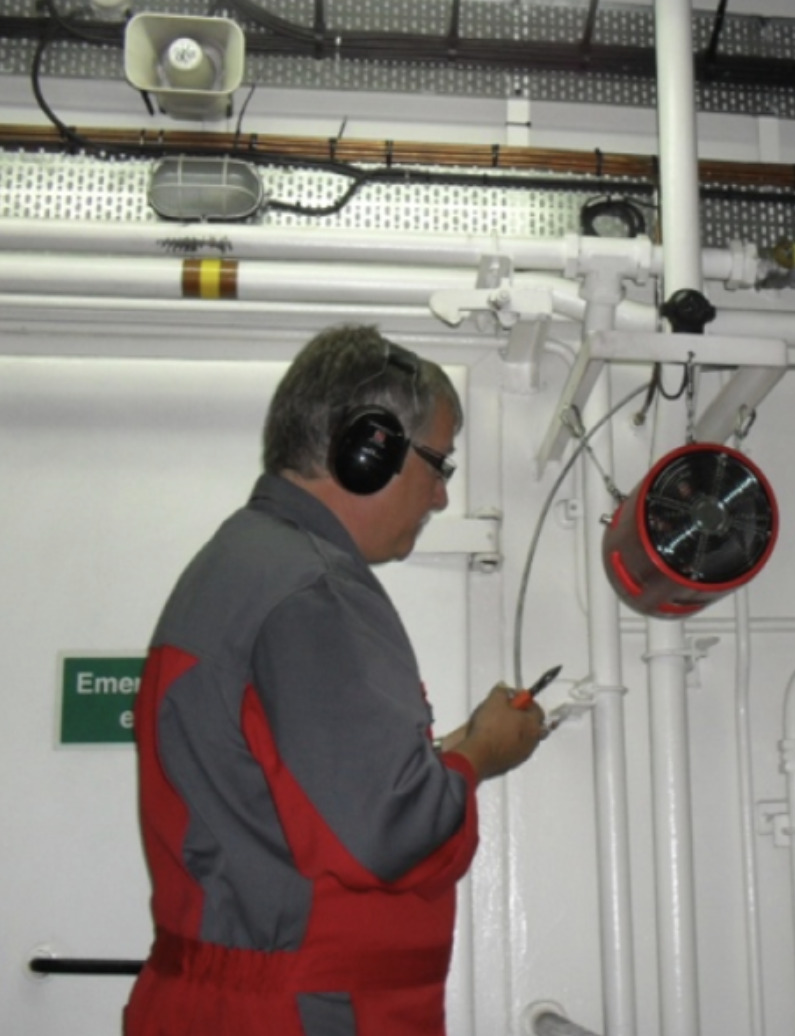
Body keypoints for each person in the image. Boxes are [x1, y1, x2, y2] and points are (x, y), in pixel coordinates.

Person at [124, 325, 545, 1036]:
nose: (442, 497)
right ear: (369, 449)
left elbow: (295, 802)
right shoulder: (313, 589)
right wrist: (482, 754)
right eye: (439, 463)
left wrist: (446, 753)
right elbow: (386, 837)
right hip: (300, 1012)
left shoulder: (241, 566)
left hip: (228, 1003)